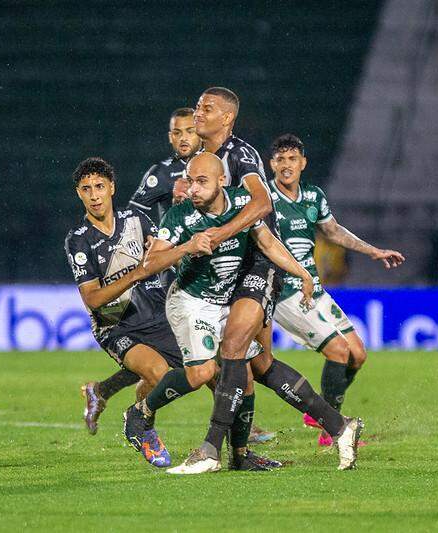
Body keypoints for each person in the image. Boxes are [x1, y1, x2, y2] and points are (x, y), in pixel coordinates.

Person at [124, 152, 363, 473]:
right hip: (189, 302)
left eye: (201, 182)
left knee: (255, 368)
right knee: (202, 374)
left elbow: (268, 244)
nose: (192, 189)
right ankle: (140, 413)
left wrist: (303, 273)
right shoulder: (180, 217)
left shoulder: (243, 204)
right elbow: (148, 265)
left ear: (222, 181)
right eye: (190, 181)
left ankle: (332, 428)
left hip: (224, 304)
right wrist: (186, 248)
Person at [260, 134, 404, 446]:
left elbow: (333, 231)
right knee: (338, 351)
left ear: (303, 163)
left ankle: (319, 413)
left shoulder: (313, 196)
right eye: (281, 160)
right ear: (272, 164)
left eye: (292, 159)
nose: (287, 165)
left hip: (315, 288)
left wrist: (373, 251)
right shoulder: (264, 198)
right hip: (285, 291)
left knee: (358, 354)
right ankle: (332, 429)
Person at [171, 87, 282, 471]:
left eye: (207, 108)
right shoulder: (202, 160)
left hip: (257, 260)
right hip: (230, 263)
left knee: (244, 357)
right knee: (250, 365)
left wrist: (221, 234)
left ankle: (212, 449)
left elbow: (262, 202)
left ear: (228, 118)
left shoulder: (240, 154)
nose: (198, 113)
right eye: (198, 106)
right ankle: (241, 452)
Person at [65, 157, 196, 468]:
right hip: (115, 324)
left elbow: (162, 255)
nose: (95, 195)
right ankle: (144, 430)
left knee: (197, 371)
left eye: (99, 186)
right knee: (157, 373)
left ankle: (130, 409)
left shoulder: (136, 221)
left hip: (155, 312)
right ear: (79, 194)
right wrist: (135, 274)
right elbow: (93, 299)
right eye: (87, 189)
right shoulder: (79, 239)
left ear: (112, 187)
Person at [80, 107, 198, 435]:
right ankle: (235, 427)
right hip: (169, 276)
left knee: (185, 359)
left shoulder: (217, 168)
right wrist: (154, 254)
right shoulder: (161, 175)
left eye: (189, 130)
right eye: (176, 132)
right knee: (186, 360)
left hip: (202, 267)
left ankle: (105, 393)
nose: (183, 138)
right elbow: (134, 219)